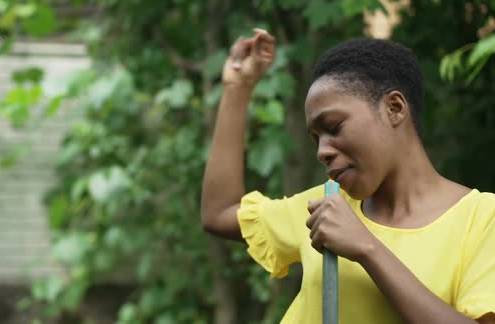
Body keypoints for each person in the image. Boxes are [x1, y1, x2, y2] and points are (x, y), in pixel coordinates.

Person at [200, 28, 495, 324]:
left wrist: (367, 249)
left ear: (394, 108)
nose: (322, 152)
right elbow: (220, 213)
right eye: (316, 138)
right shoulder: (325, 205)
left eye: (334, 126)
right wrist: (238, 86)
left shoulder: (481, 219)